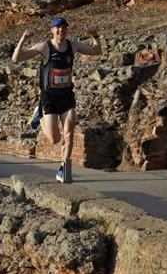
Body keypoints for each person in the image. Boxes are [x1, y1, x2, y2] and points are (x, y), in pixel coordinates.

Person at [11, 16, 102, 181]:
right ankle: (39, 117)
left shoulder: (73, 46)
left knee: (69, 133)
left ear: (67, 29)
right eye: (57, 28)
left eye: (64, 27)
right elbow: (16, 58)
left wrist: (94, 35)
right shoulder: (45, 47)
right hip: (49, 98)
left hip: (67, 96)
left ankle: (63, 168)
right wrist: (23, 39)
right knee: (54, 139)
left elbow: (96, 51)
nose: (61, 30)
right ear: (52, 30)